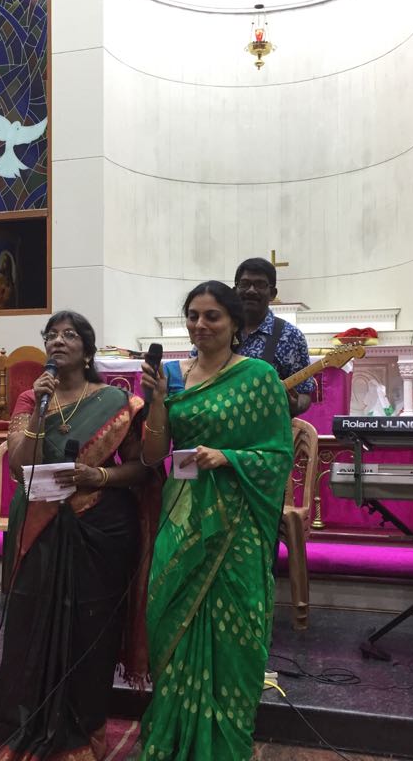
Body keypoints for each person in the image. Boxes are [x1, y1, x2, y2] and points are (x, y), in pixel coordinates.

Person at [0, 311, 157, 761]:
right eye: (52, 335)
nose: (58, 341)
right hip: (38, 525)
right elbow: (20, 465)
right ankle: (24, 726)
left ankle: (80, 733)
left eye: (70, 335)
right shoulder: (31, 399)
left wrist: (100, 476)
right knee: (29, 629)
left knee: (89, 630)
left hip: (100, 531)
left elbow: (141, 468)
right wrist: (38, 414)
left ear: (88, 350)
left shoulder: (116, 402)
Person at [138, 281, 294, 760]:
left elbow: (278, 456)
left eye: (212, 316)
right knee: (168, 616)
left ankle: (221, 745)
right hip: (183, 513)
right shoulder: (171, 374)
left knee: (234, 631)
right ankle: (172, 738)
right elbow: (152, 455)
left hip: (236, 523)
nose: (200, 325)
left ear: (233, 324)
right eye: (192, 316)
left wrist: (228, 457)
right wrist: (157, 401)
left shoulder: (258, 377)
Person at [232, 257, 315, 416]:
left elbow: (305, 392)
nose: (251, 290)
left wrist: (295, 405)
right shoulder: (218, 329)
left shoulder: (290, 336)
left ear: (272, 293)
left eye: (260, 284)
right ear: (235, 290)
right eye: (244, 284)